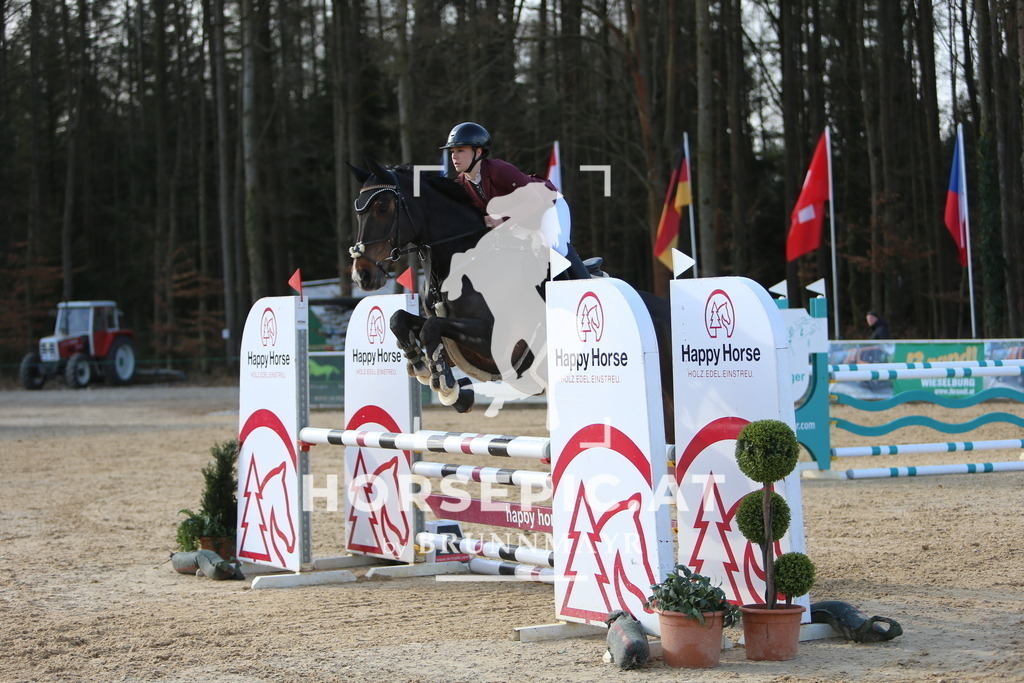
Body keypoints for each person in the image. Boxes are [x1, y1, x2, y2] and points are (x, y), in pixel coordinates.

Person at [440, 121, 588, 278]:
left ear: (478, 152)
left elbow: (535, 201)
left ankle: (586, 284)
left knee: (555, 247)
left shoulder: (499, 170)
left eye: (460, 150)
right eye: (452, 151)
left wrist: (501, 218)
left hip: (548, 205)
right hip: (517, 219)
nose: (454, 156)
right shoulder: (460, 184)